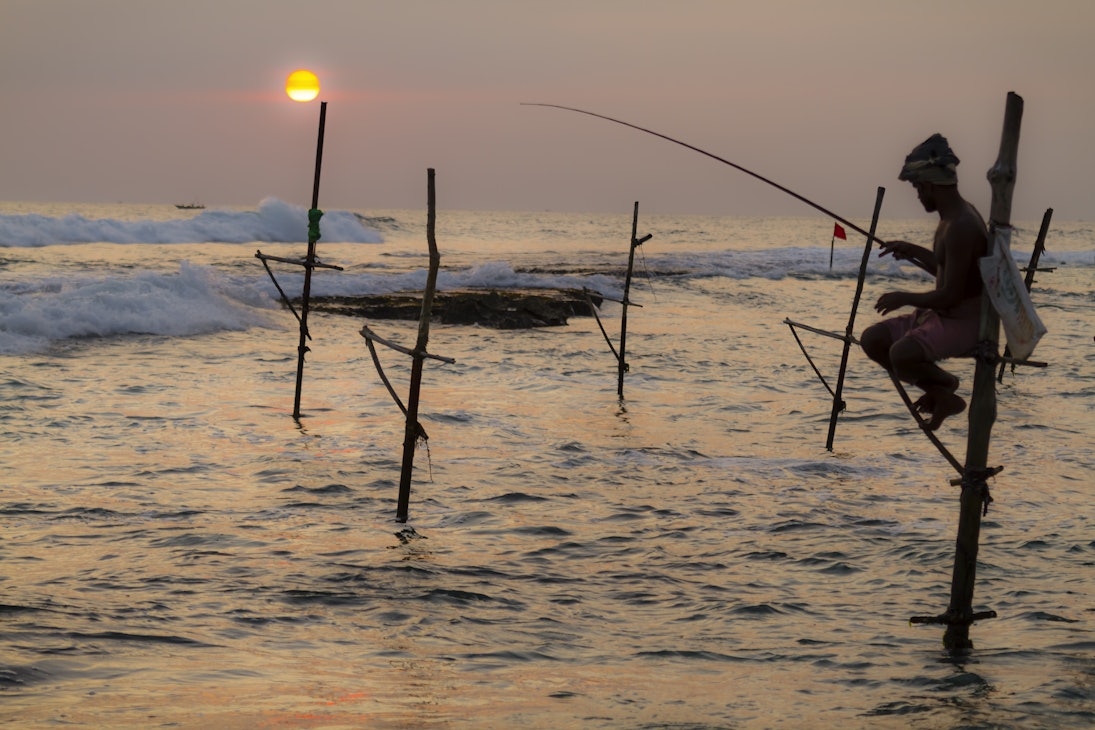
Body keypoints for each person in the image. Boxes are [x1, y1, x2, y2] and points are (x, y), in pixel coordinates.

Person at [860, 133, 988, 431]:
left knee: (901, 354)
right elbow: (950, 272)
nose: (917, 195)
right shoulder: (949, 219)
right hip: (942, 313)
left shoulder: (961, 226)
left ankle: (945, 387)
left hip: (966, 319)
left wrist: (905, 297)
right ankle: (941, 394)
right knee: (872, 339)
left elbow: (952, 294)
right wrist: (912, 251)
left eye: (918, 187)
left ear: (930, 185)